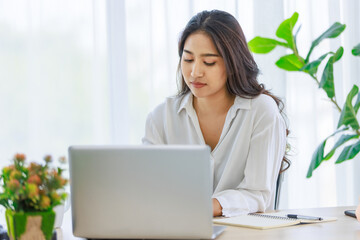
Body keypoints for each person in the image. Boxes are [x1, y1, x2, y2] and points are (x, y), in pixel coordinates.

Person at [142, 9, 289, 217]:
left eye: (209, 62)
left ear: (232, 63)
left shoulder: (261, 112)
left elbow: (257, 194)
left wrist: (207, 206)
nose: (195, 73)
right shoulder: (160, 118)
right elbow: (147, 188)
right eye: (188, 59)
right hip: (176, 230)